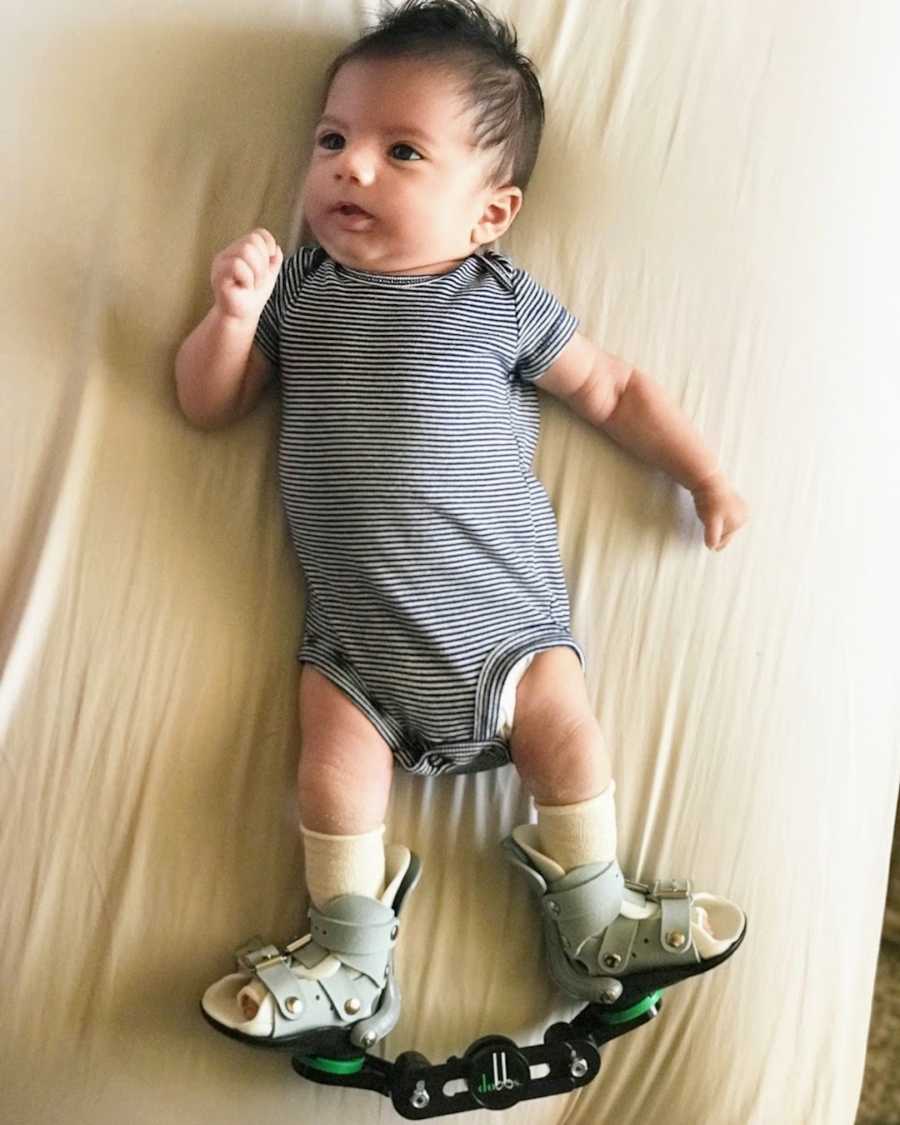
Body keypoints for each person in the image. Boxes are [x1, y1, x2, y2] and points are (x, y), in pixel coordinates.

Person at [176, 0, 748, 1047]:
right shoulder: (298, 293)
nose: (351, 169)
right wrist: (230, 319)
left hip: (509, 633)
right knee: (330, 767)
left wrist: (702, 475)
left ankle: (592, 916)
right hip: (353, 651)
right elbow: (207, 406)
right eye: (333, 140)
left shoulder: (501, 298)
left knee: (567, 736)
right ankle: (349, 952)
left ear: (491, 213)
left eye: (402, 151)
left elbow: (614, 392)